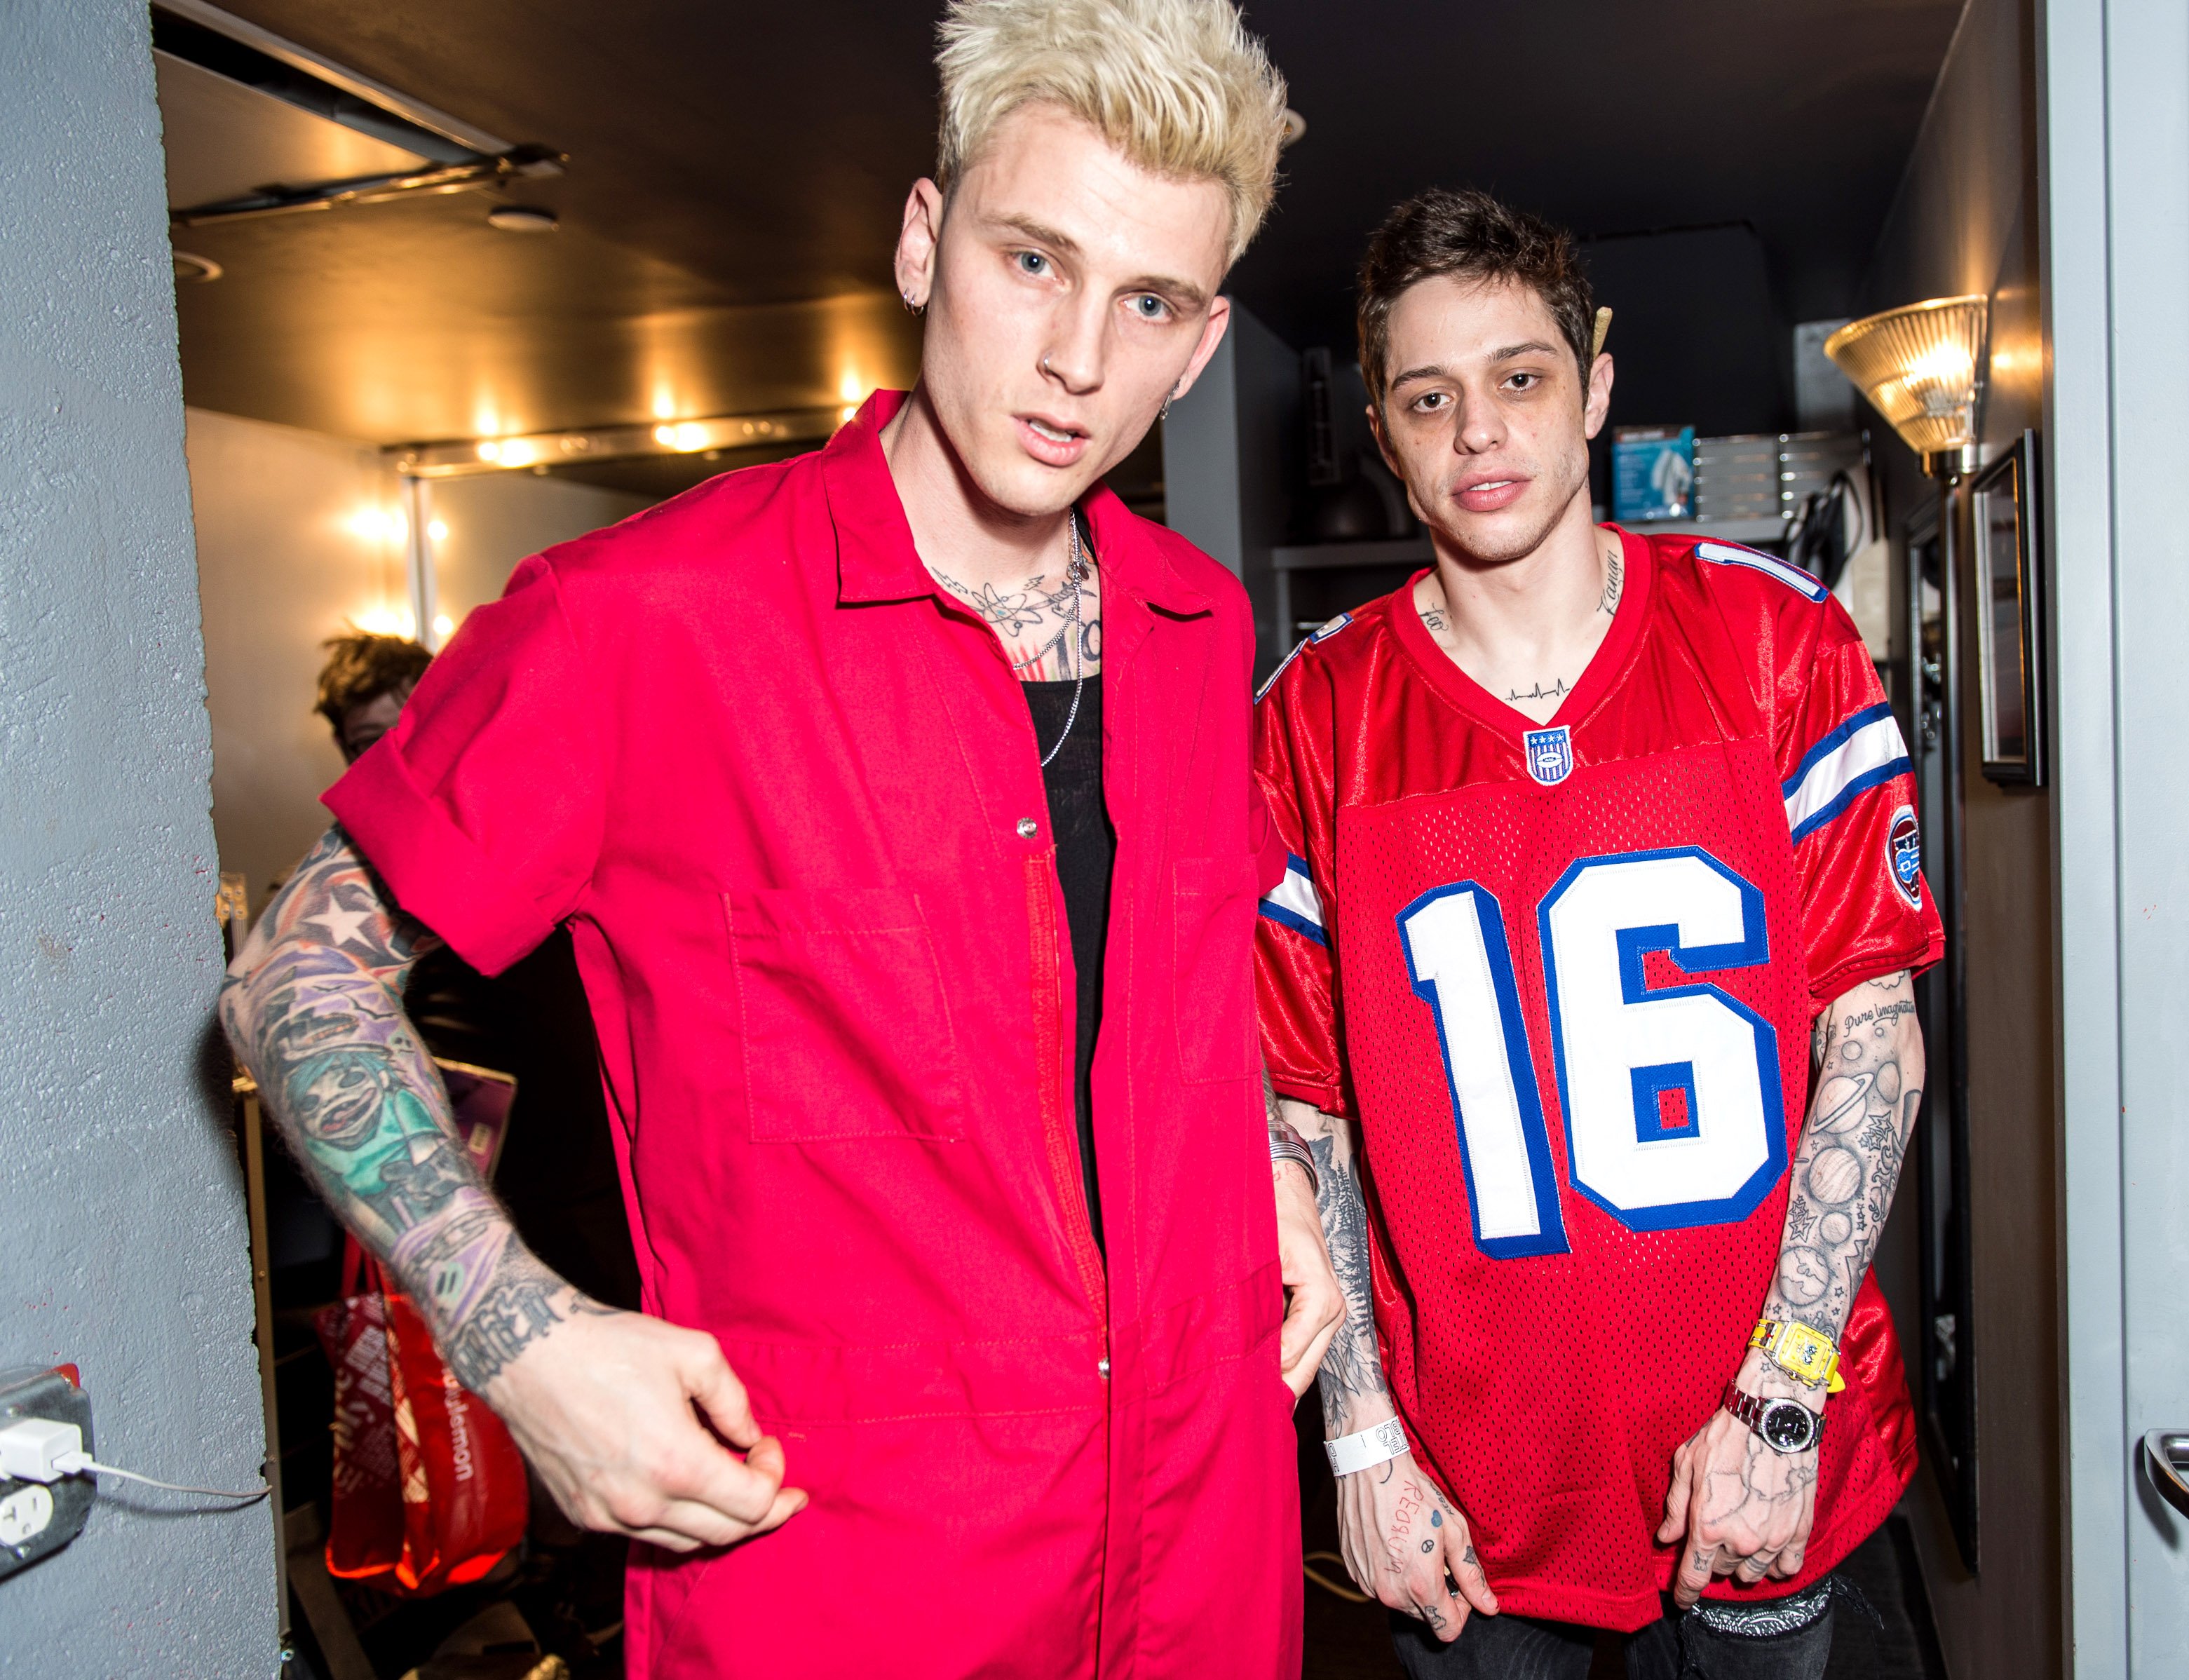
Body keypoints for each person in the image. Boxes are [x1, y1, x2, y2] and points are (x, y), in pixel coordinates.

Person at [222, 3, 1340, 1672]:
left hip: (1202, 1558)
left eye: (1149, 301)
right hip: (852, 1588)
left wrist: (1264, 1170)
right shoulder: (643, 621)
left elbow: (1172, 988)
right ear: (920, 238)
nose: (1079, 359)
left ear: (1201, 342)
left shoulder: (1194, 622)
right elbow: (293, 975)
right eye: (1032, 260)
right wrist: (519, 1340)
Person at [1255, 189, 1944, 1680]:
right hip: (1471, 1496)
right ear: (1382, 427)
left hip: (1761, 1460)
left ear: (1596, 389)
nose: (1478, 433)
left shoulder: (1774, 645)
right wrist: (1360, 1436)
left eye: (1520, 379)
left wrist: (1782, 1398)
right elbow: (1302, 1110)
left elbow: (1874, 1042)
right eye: (1428, 398)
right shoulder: (1313, 720)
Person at [313, 632, 642, 1315]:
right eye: (357, 746)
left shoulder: (524, 799)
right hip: (466, 1148)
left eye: (392, 734)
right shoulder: (365, 855)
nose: (379, 761)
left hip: (577, 1148)